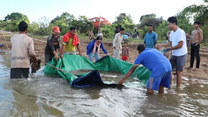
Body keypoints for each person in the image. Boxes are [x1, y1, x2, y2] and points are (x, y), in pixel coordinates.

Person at [158, 16, 187, 88]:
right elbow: (170, 44)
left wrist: (169, 49)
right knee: (169, 69)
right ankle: (169, 85)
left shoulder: (180, 32)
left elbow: (180, 45)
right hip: (174, 54)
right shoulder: (171, 33)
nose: (168, 26)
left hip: (181, 54)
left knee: (178, 72)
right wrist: (162, 45)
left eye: (169, 24)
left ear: (174, 23)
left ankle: (178, 88)